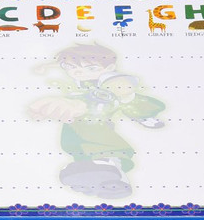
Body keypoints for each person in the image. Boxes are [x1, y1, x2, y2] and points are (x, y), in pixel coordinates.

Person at [28, 43, 165, 200]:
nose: (78, 72)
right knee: (76, 138)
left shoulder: (111, 83)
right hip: (82, 125)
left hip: (98, 122)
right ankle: (89, 173)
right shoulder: (82, 84)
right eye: (70, 67)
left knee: (92, 130)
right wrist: (47, 66)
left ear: (109, 68)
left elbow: (107, 98)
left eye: (91, 68)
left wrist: (81, 104)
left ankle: (112, 169)